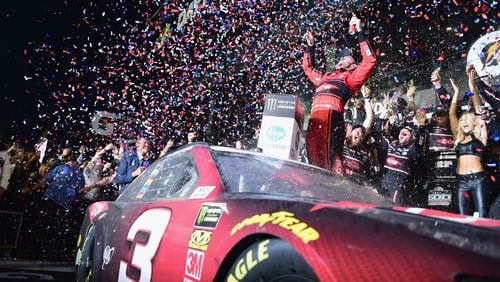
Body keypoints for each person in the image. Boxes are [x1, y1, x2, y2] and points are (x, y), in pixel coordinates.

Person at [302, 14, 376, 174]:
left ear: (354, 63)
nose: (340, 59)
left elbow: (370, 61)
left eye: (346, 57)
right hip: (314, 121)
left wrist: (360, 32)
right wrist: (310, 46)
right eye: (340, 57)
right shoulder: (324, 77)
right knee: (313, 164)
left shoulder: (351, 78)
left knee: (330, 164)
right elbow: (308, 69)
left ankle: (335, 190)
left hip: (331, 118)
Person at [449, 79, 489, 217]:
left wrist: (472, 87)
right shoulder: (458, 137)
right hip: (461, 181)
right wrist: (456, 93)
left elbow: (479, 111)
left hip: (477, 180)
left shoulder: (479, 136)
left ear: (474, 123)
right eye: (462, 120)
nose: (464, 122)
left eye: (467, 120)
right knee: (463, 216)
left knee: (483, 215)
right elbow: (451, 114)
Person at [380, 126, 419, 204]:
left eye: (406, 133)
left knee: (393, 205)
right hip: (385, 178)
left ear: (412, 137)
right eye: (401, 133)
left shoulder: (412, 150)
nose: (402, 135)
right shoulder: (392, 144)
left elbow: (419, 148)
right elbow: (381, 134)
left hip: (398, 182)